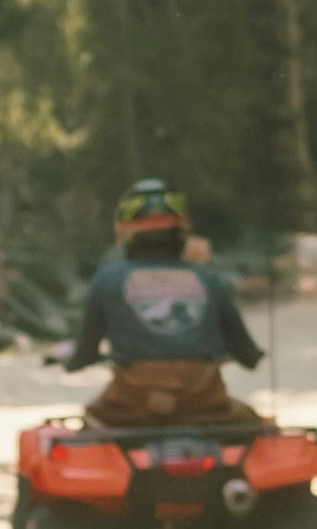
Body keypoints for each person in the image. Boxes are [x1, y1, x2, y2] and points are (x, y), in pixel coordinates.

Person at [68, 180, 265, 429]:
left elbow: (83, 355)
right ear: (183, 232)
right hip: (206, 406)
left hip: (130, 408)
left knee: (90, 424)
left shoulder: (106, 281)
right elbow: (248, 356)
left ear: (123, 232)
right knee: (253, 424)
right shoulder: (210, 279)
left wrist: (69, 363)